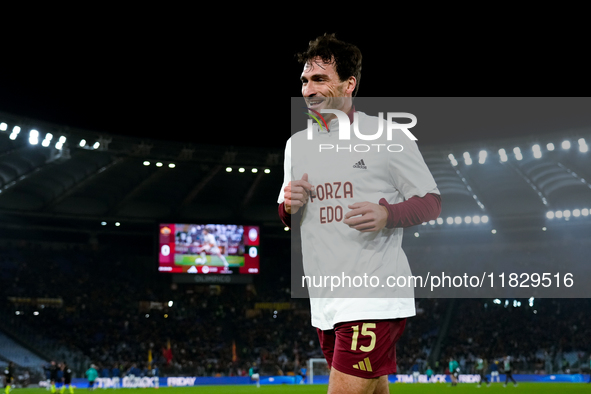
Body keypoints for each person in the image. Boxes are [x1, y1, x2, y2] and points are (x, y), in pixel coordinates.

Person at [278, 33, 441, 394]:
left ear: (349, 84)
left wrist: (388, 214)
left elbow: (431, 201)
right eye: (304, 80)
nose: (308, 89)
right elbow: (287, 215)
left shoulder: (387, 135)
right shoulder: (297, 145)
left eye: (319, 79)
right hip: (325, 299)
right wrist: (289, 206)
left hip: (372, 293)